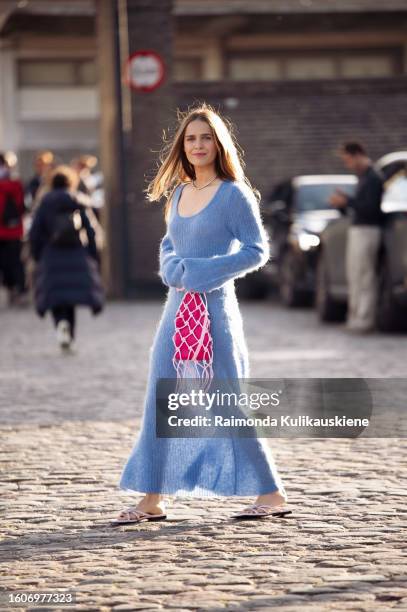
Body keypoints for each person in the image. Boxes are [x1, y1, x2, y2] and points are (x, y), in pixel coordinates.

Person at [114, 103, 291, 525]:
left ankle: (271, 493)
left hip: (215, 313)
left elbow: (257, 251)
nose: (197, 145)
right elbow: (170, 244)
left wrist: (202, 273)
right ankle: (153, 497)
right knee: (164, 399)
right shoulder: (178, 192)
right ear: (182, 145)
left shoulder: (233, 194)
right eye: (191, 138)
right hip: (176, 313)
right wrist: (174, 268)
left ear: (218, 144)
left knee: (227, 402)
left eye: (205, 137)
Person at [29, 165, 104, 352]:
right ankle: (69, 336)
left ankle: (60, 325)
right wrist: (93, 254)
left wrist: (37, 254)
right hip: (76, 254)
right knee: (70, 298)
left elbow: (35, 232)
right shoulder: (78, 200)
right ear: (71, 182)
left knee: (56, 296)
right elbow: (91, 230)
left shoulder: (45, 203)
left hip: (51, 256)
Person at [329, 142, 384, 333]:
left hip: (368, 230)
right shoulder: (363, 178)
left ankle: (364, 319)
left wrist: (348, 201)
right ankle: (355, 317)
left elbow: (370, 208)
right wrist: (343, 204)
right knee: (354, 276)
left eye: (348, 160)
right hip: (359, 229)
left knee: (365, 276)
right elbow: (358, 207)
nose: (348, 164)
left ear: (358, 154)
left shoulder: (374, 177)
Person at [0, 153, 27, 305]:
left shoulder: (15, 184)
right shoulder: (16, 183)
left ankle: (18, 290)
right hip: (12, 230)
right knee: (10, 263)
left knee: (14, 263)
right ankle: (14, 290)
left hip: (11, 230)